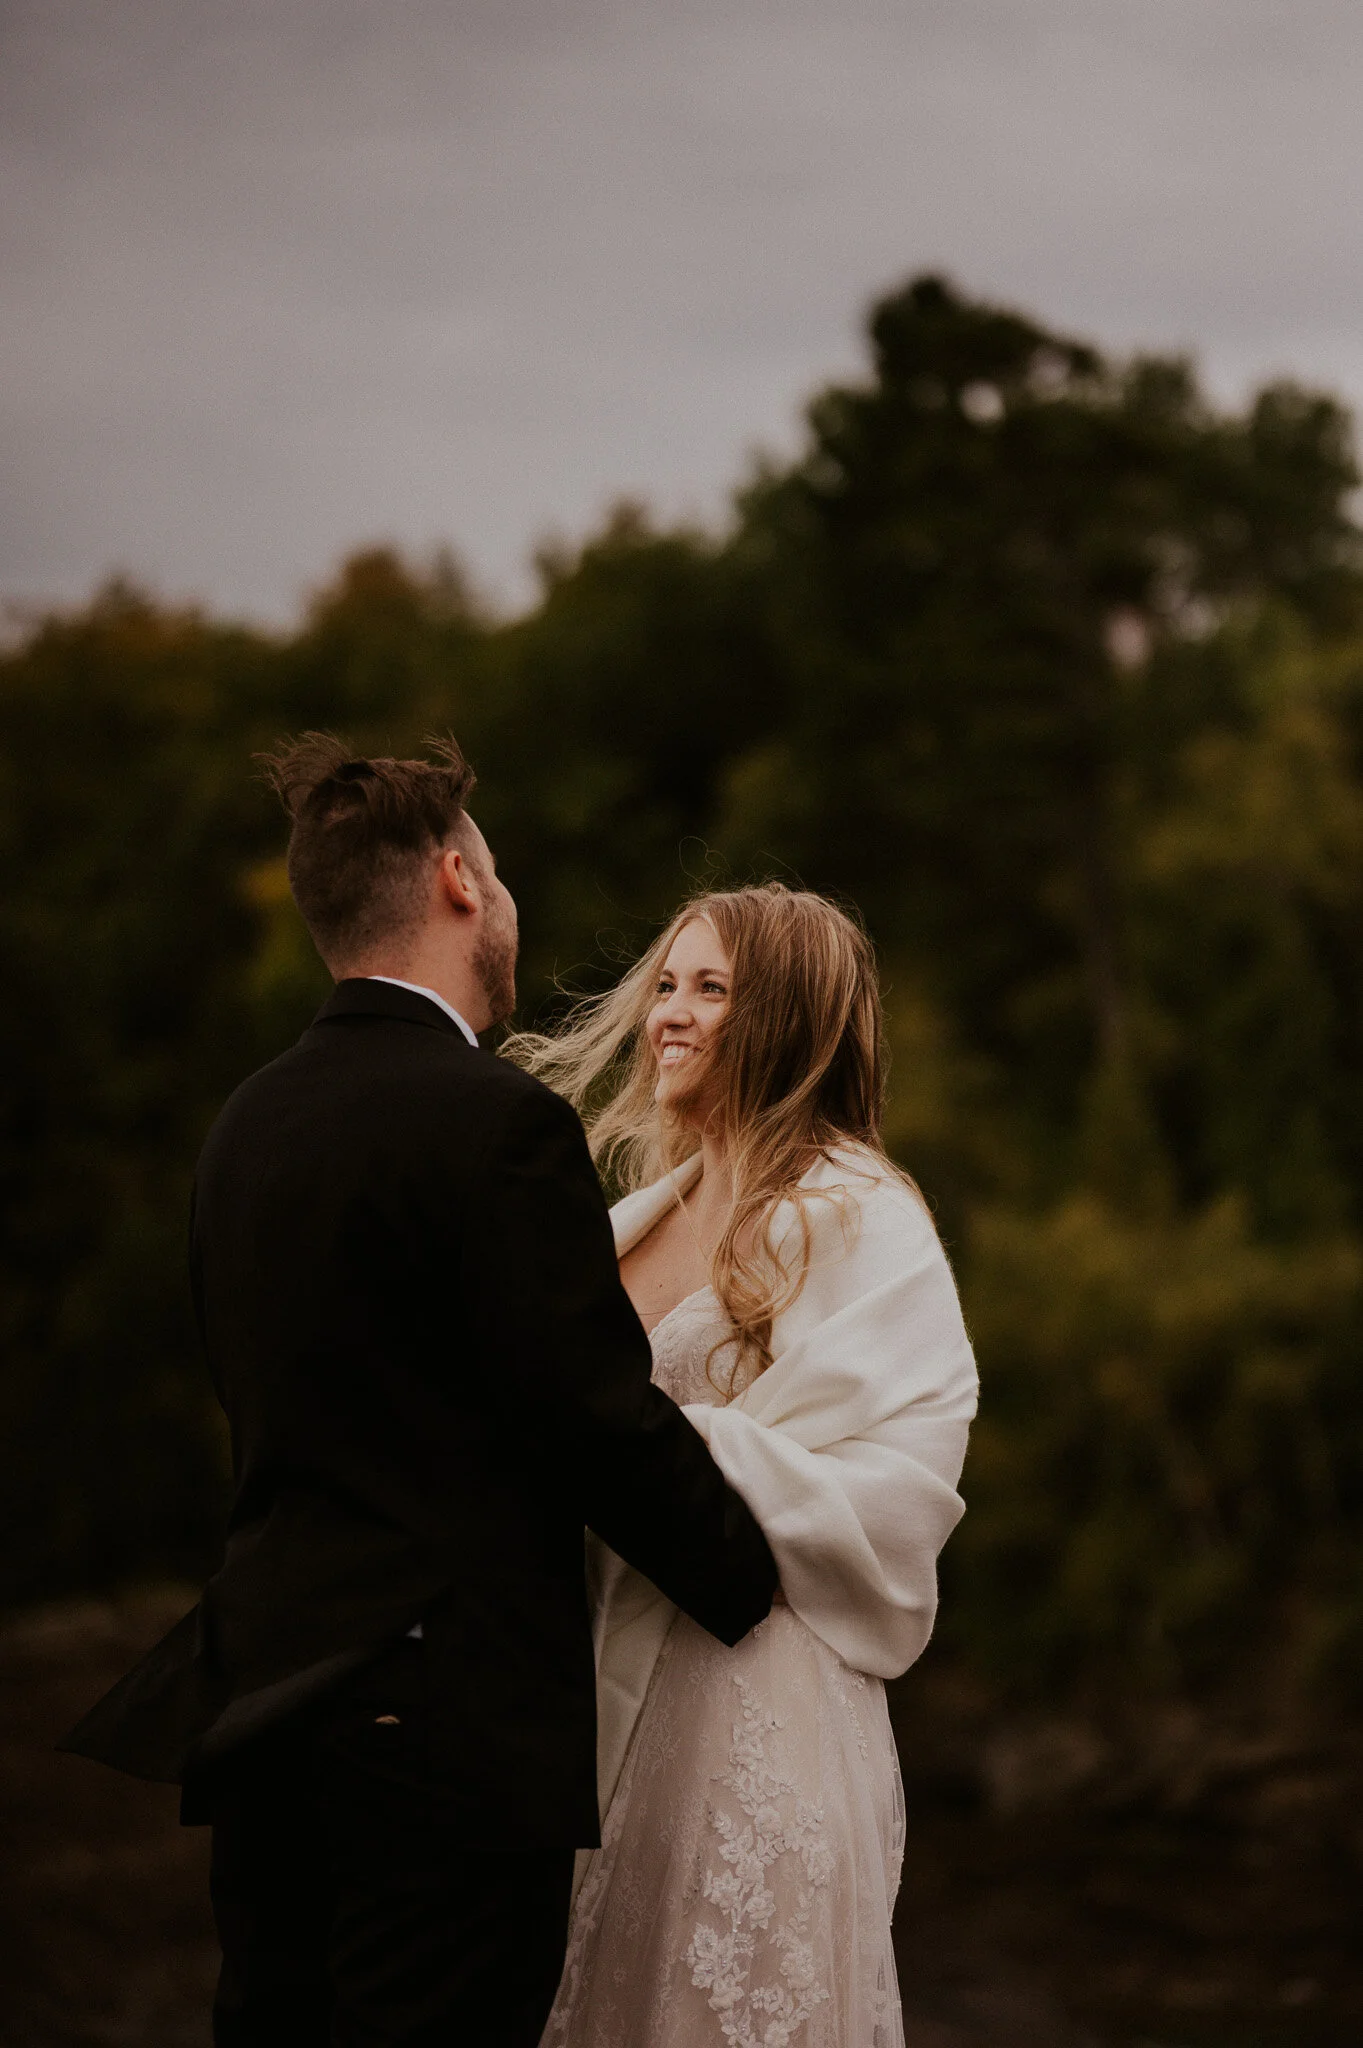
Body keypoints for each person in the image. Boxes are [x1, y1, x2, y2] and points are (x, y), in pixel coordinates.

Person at [60, 736, 778, 2048]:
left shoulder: (244, 1129)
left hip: (262, 1721)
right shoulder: (491, 1124)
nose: (506, 907)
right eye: (495, 879)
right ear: (456, 882)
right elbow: (592, 1414)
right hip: (435, 1742)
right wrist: (752, 1578)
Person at [509, 884, 979, 2048]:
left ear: (786, 1017)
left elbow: (904, 1480)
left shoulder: (859, 1215)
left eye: (710, 988)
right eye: (668, 983)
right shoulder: (630, 1215)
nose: (669, 1011)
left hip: (756, 1697)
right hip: (598, 1690)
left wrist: (671, 1445)